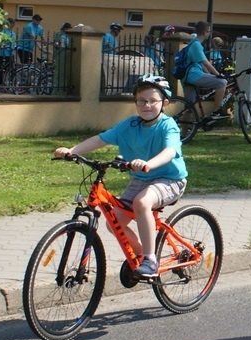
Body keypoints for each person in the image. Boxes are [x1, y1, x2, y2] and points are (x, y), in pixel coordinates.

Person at [53, 75, 187, 278]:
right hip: (141, 179)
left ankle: (150, 260)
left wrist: (148, 164)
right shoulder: (129, 125)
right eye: (141, 100)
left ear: (164, 103)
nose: (146, 105)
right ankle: (142, 253)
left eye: (153, 100)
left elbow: (170, 151)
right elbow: (100, 139)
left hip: (170, 180)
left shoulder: (168, 126)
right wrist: (72, 151)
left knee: (142, 203)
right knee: (114, 222)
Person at [182, 20, 227, 118]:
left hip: (186, 76)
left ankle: (185, 133)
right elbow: (205, 62)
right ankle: (216, 111)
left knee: (190, 108)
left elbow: (201, 64)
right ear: (205, 32)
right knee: (222, 82)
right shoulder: (197, 45)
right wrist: (217, 74)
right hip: (193, 75)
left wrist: (210, 75)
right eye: (209, 31)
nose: (210, 33)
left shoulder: (192, 43)